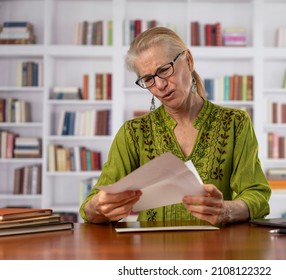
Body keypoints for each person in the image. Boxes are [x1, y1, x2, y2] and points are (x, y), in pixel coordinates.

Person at [80, 27, 271, 225]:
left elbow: (257, 195)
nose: (160, 85)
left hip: (215, 251)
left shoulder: (235, 123)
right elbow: (90, 208)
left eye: (164, 70)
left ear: (188, 60)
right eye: (148, 79)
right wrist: (98, 206)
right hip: (153, 251)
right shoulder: (133, 133)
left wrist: (227, 210)